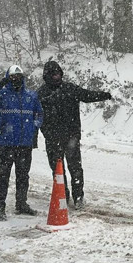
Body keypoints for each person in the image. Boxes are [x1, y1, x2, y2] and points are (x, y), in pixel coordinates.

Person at [36, 61, 112, 210]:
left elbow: (87, 95)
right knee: (58, 171)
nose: (57, 76)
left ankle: (78, 198)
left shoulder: (69, 88)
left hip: (71, 137)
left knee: (75, 169)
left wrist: (104, 95)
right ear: (47, 76)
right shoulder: (41, 94)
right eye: (54, 74)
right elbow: (36, 116)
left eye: (58, 73)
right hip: (53, 138)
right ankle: (62, 195)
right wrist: (45, 132)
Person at [0, 65, 44, 221]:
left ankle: (21, 204)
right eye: (13, 77)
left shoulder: (31, 95)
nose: (16, 80)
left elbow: (39, 113)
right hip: (5, 143)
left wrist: (34, 126)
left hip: (25, 144)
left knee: (23, 176)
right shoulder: (2, 94)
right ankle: (0, 207)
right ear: (8, 78)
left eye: (19, 77)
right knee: (2, 177)